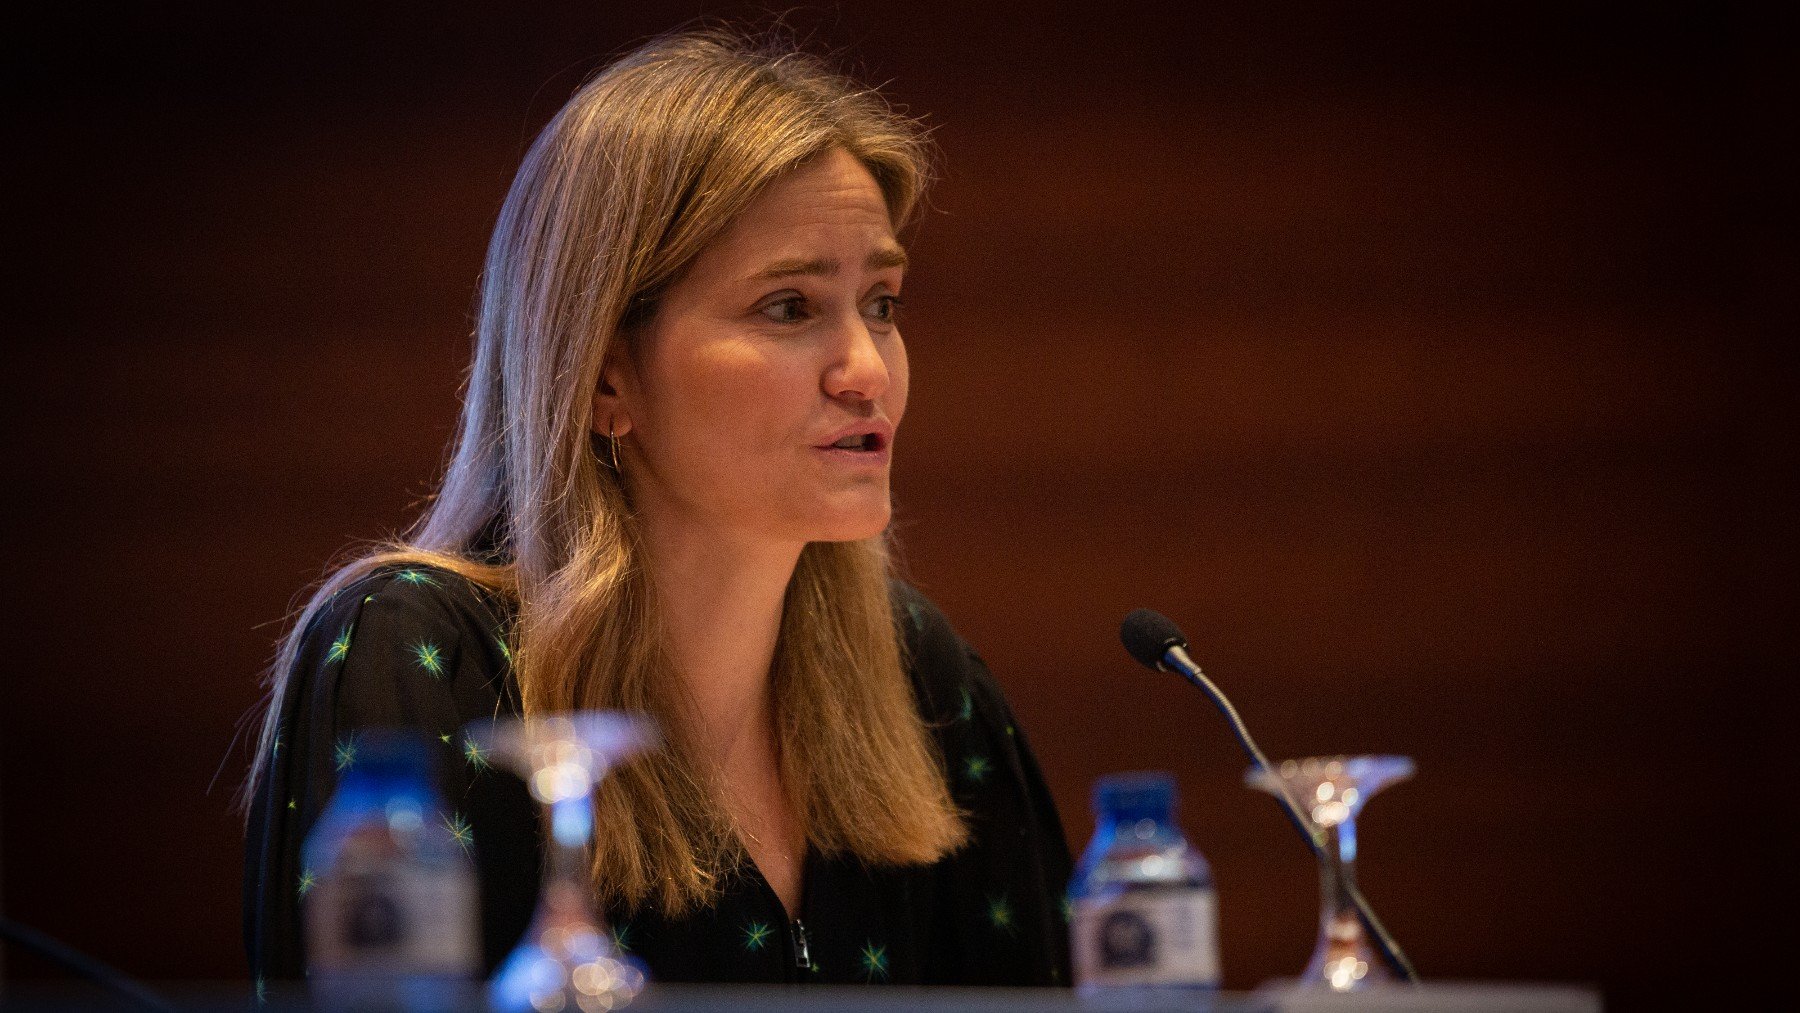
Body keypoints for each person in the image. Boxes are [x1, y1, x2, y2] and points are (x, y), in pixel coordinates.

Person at [241, 26, 1072, 988]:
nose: (866, 369)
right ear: (606, 376)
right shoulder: (419, 657)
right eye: (790, 307)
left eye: (880, 302)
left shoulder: (925, 680)